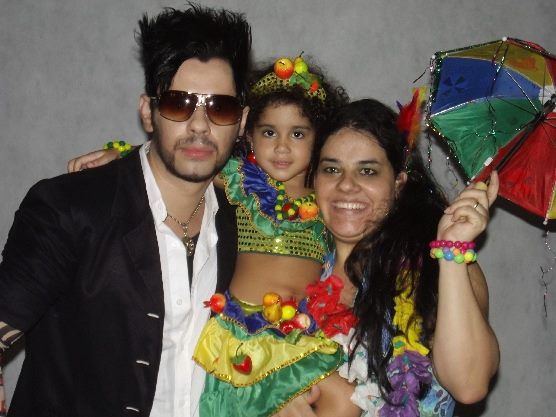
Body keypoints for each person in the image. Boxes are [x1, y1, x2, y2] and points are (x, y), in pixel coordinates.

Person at [66, 56, 359, 417]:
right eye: (269, 132)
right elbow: (170, 165)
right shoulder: (239, 181)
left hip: (300, 337)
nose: (282, 147)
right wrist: (121, 154)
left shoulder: (326, 203)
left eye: (297, 134)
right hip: (241, 336)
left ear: (319, 139)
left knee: (346, 398)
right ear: (247, 132)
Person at [0, 4, 256, 416]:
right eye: (179, 104)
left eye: (220, 108)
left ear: (241, 122)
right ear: (148, 112)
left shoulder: (243, 220)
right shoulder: (71, 209)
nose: (199, 125)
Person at [310, 98, 500, 416]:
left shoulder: (438, 264)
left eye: (367, 171)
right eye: (331, 169)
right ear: (314, 179)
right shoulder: (298, 263)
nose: (346, 185)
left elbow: (469, 384)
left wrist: (451, 250)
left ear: (398, 183)